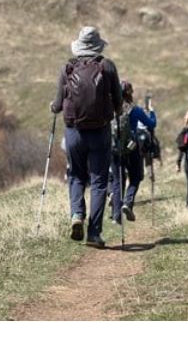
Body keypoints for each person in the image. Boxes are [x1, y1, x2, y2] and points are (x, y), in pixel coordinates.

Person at [50, 26, 122, 248]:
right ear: (98, 46)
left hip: (74, 132)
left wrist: (53, 107)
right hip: (100, 132)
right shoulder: (107, 66)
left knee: (76, 175)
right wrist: (116, 110)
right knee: (99, 181)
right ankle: (94, 233)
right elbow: (118, 101)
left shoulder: (67, 68)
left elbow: (58, 104)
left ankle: (77, 215)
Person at [110, 80, 156, 224]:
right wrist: (152, 112)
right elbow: (151, 124)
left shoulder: (110, 109)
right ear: (130, 94)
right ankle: (128, 202)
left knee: (117, 180)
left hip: (114, 149)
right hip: (132, 148)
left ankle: (116, 215)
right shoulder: (135, 110)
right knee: (136, 176)